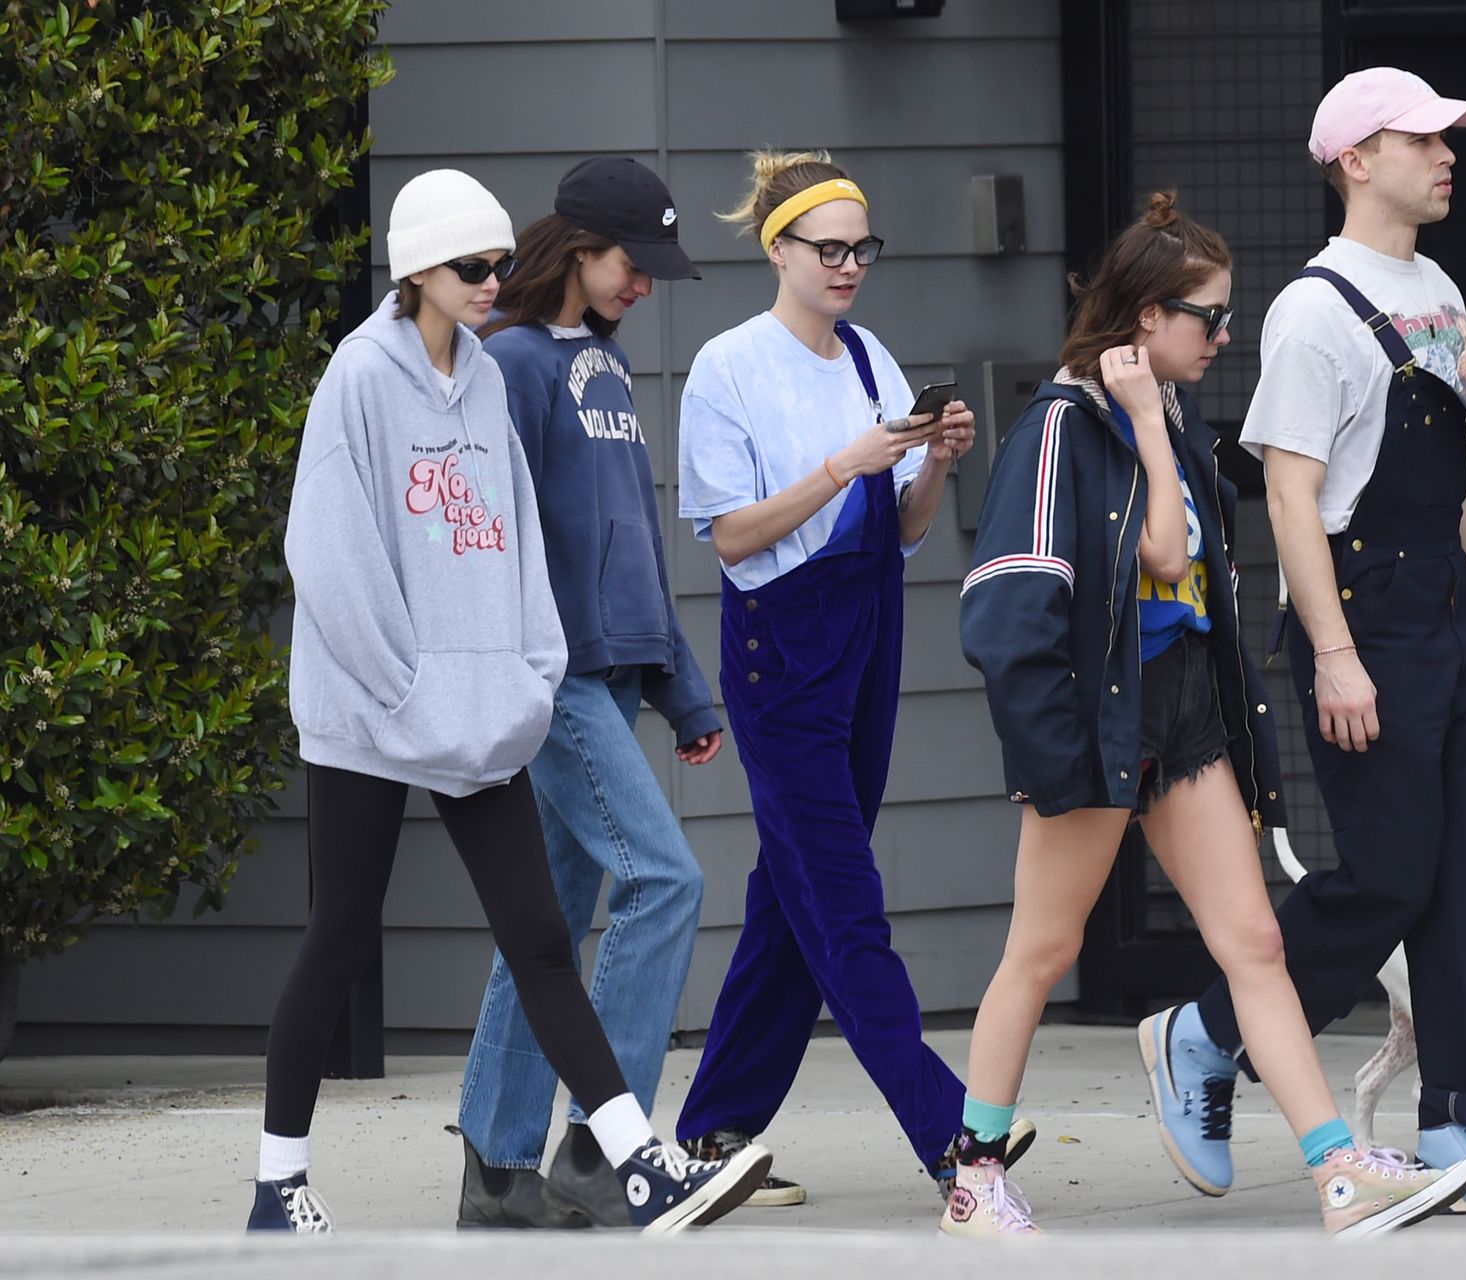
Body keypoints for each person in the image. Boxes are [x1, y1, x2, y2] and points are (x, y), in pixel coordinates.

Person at [951, 190, 1466, 1239]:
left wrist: (1159, 424)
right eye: (1208, 315)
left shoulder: (1172, 420)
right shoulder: (1065, 425)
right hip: (1094, 722)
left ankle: (1337, 1169)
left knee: (1255, 944)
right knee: (1041, 948)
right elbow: (1048, 593)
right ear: (1145, 317)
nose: (1224, 334)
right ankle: (973, 1173)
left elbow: (1187, 571)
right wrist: (1148, 424)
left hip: (1180, 714)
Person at [254, 168, 769, 1234]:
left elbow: (518, 542)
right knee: (339, 937)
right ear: (416, 271)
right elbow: (328, 552)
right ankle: (278, 1181)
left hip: (481, 714)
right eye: (471, 267)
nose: (495, 280)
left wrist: (530, 673)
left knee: (540, 938)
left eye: (498, 263)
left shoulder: (487, 377)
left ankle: (632, 1162)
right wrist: (404, 685)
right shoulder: (358, 377)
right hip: (368, 716)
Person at [1137, 67, 1466, 1215]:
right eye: (1422, 138)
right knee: (1391, 873)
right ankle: (1204, 1030)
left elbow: (1464, 476)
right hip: (1364, 611)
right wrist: (1334, 653)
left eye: (1448, 139)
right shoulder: (1312, 309)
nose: (1447, 155)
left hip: (1442, 601)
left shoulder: (1437, 286)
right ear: (1355, 158)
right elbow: (1291, 498)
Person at [672, 149, 1034, 1200]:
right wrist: (845, 465)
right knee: (843, 899)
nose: (848, 268)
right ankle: (949, 1134)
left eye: (861, 249)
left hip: (867, 639)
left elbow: (903, 531)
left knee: (796, 890)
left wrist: (933, 463)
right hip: (779, 650)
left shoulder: (870, 356)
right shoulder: (727, 366)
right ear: (776, 247)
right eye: (828, 249)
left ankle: (715, 1128)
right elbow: (732, 538)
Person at [452, 157, 729, 1228]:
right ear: (575, 250)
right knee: (667, 881)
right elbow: (484, 539)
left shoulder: (601, 368)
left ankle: (495, 1165)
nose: (643, 284)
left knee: (553, 920)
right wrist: (510, 671)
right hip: (552, 678)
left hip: (615, 680)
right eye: (632, 263)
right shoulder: (508, 363)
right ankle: (599, 1144)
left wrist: (683, 690)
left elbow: (635, 549)